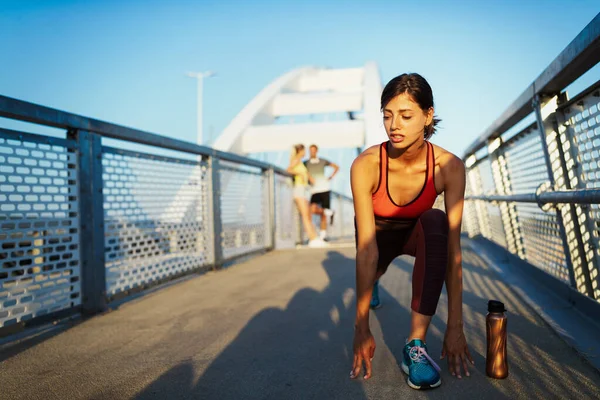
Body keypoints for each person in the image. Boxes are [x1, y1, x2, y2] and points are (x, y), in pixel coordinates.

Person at [349, 73, 473, 390]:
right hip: (377, 238)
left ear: (428, 115)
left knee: (435, 221)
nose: (394, 125)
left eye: (406, 116)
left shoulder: (449, 166)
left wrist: (455, 327)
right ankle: (375, 281)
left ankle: (414, 346)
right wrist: (361, 327)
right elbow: (366, 249)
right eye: (387, 116)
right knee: (373, 265)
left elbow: (453, 254)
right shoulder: (366, 165)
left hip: (416, 235)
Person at [287, 144, 328, 248]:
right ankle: (312, 239)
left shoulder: (300, 162)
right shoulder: (296, 160)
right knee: (306, 215)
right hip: (299, 189)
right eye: (303, 150)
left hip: (304, 189)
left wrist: (309, 178)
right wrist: (298, 174)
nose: (305, 152)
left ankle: (314, 237)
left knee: (308, 214)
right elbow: (288, 170)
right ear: (300, 151)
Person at [304, 144, 339, 240]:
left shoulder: (323, 161)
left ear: (317, 151)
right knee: (312, 210)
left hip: (325, 189)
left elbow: (336, 167)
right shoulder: (305, 163)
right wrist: (308, 177)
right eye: (310, 150)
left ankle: (323, 236)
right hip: (314, 190)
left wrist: (331, 177)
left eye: (314, 150)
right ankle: (330, 212)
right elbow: (302, 171)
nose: (312, 152)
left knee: (323, 215)